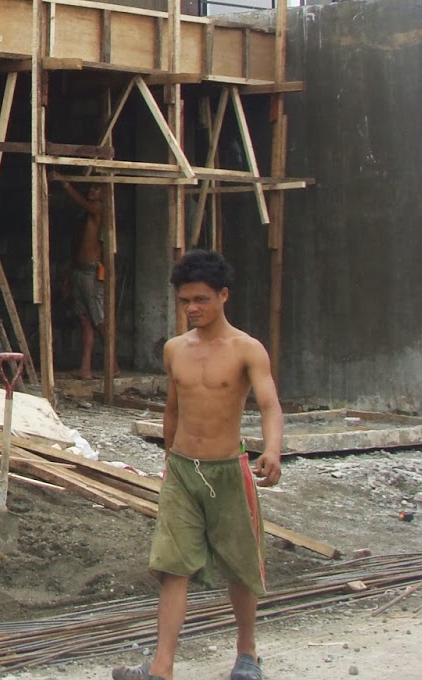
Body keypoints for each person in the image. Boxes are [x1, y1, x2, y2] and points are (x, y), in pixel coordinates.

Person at [112, 249, 283, 680]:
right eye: (186, 300)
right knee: (172, 565)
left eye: (202, 299)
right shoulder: (175, 350)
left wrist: (273, 450)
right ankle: (161, 667)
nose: (192, 308)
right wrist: (169, 460)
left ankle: (247, 655)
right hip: (183, 472)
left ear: (223, 296)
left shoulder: (247, 349)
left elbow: (269, 404)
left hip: (229, 471)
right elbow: (172, 408)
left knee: (241, 565)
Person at [61, 181, 108, 380]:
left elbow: (83, 203)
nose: (92, 190)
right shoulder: (85, 218)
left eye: (97, 188)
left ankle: (112, 364)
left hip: (91, 272)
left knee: (98, 320)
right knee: (85, 321)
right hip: (80, 271)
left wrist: (65, 185)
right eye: (91, 187)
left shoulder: (98, 210)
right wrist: (68, 277)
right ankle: (85, 368)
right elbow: (76, 249)